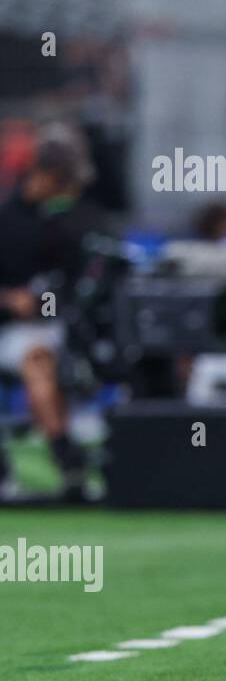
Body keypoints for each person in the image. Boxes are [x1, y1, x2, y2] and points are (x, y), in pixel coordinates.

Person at [0, 128, 107, 500]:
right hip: (15, 331)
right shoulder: (7, 221)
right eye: (64, 183)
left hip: (69, 329)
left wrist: (46, 303)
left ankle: (77, 462)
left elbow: (80, 284)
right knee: (36, 358)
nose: (70, 193)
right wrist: (12, 301)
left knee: (40, 356)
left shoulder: (77, 220)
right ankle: (68, 461)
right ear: (44, 176)